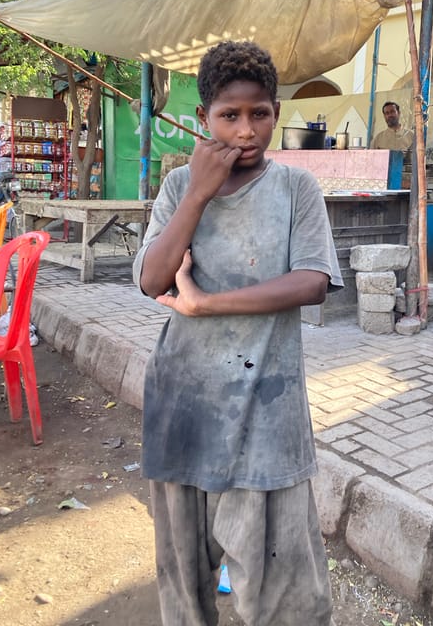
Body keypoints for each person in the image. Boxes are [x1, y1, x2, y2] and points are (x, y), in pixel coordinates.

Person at [133, 40, 343, 626]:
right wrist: (198, 191)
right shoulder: (179, 189)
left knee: (283, 597)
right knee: (184, 589)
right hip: (185, 410)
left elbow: (312, 282)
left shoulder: (295, 189)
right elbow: (153, 279)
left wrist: (208, 304)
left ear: (277, 112)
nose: (246, 131)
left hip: (267, 418)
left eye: (260, 114)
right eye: (229, 115)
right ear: (203, 119)